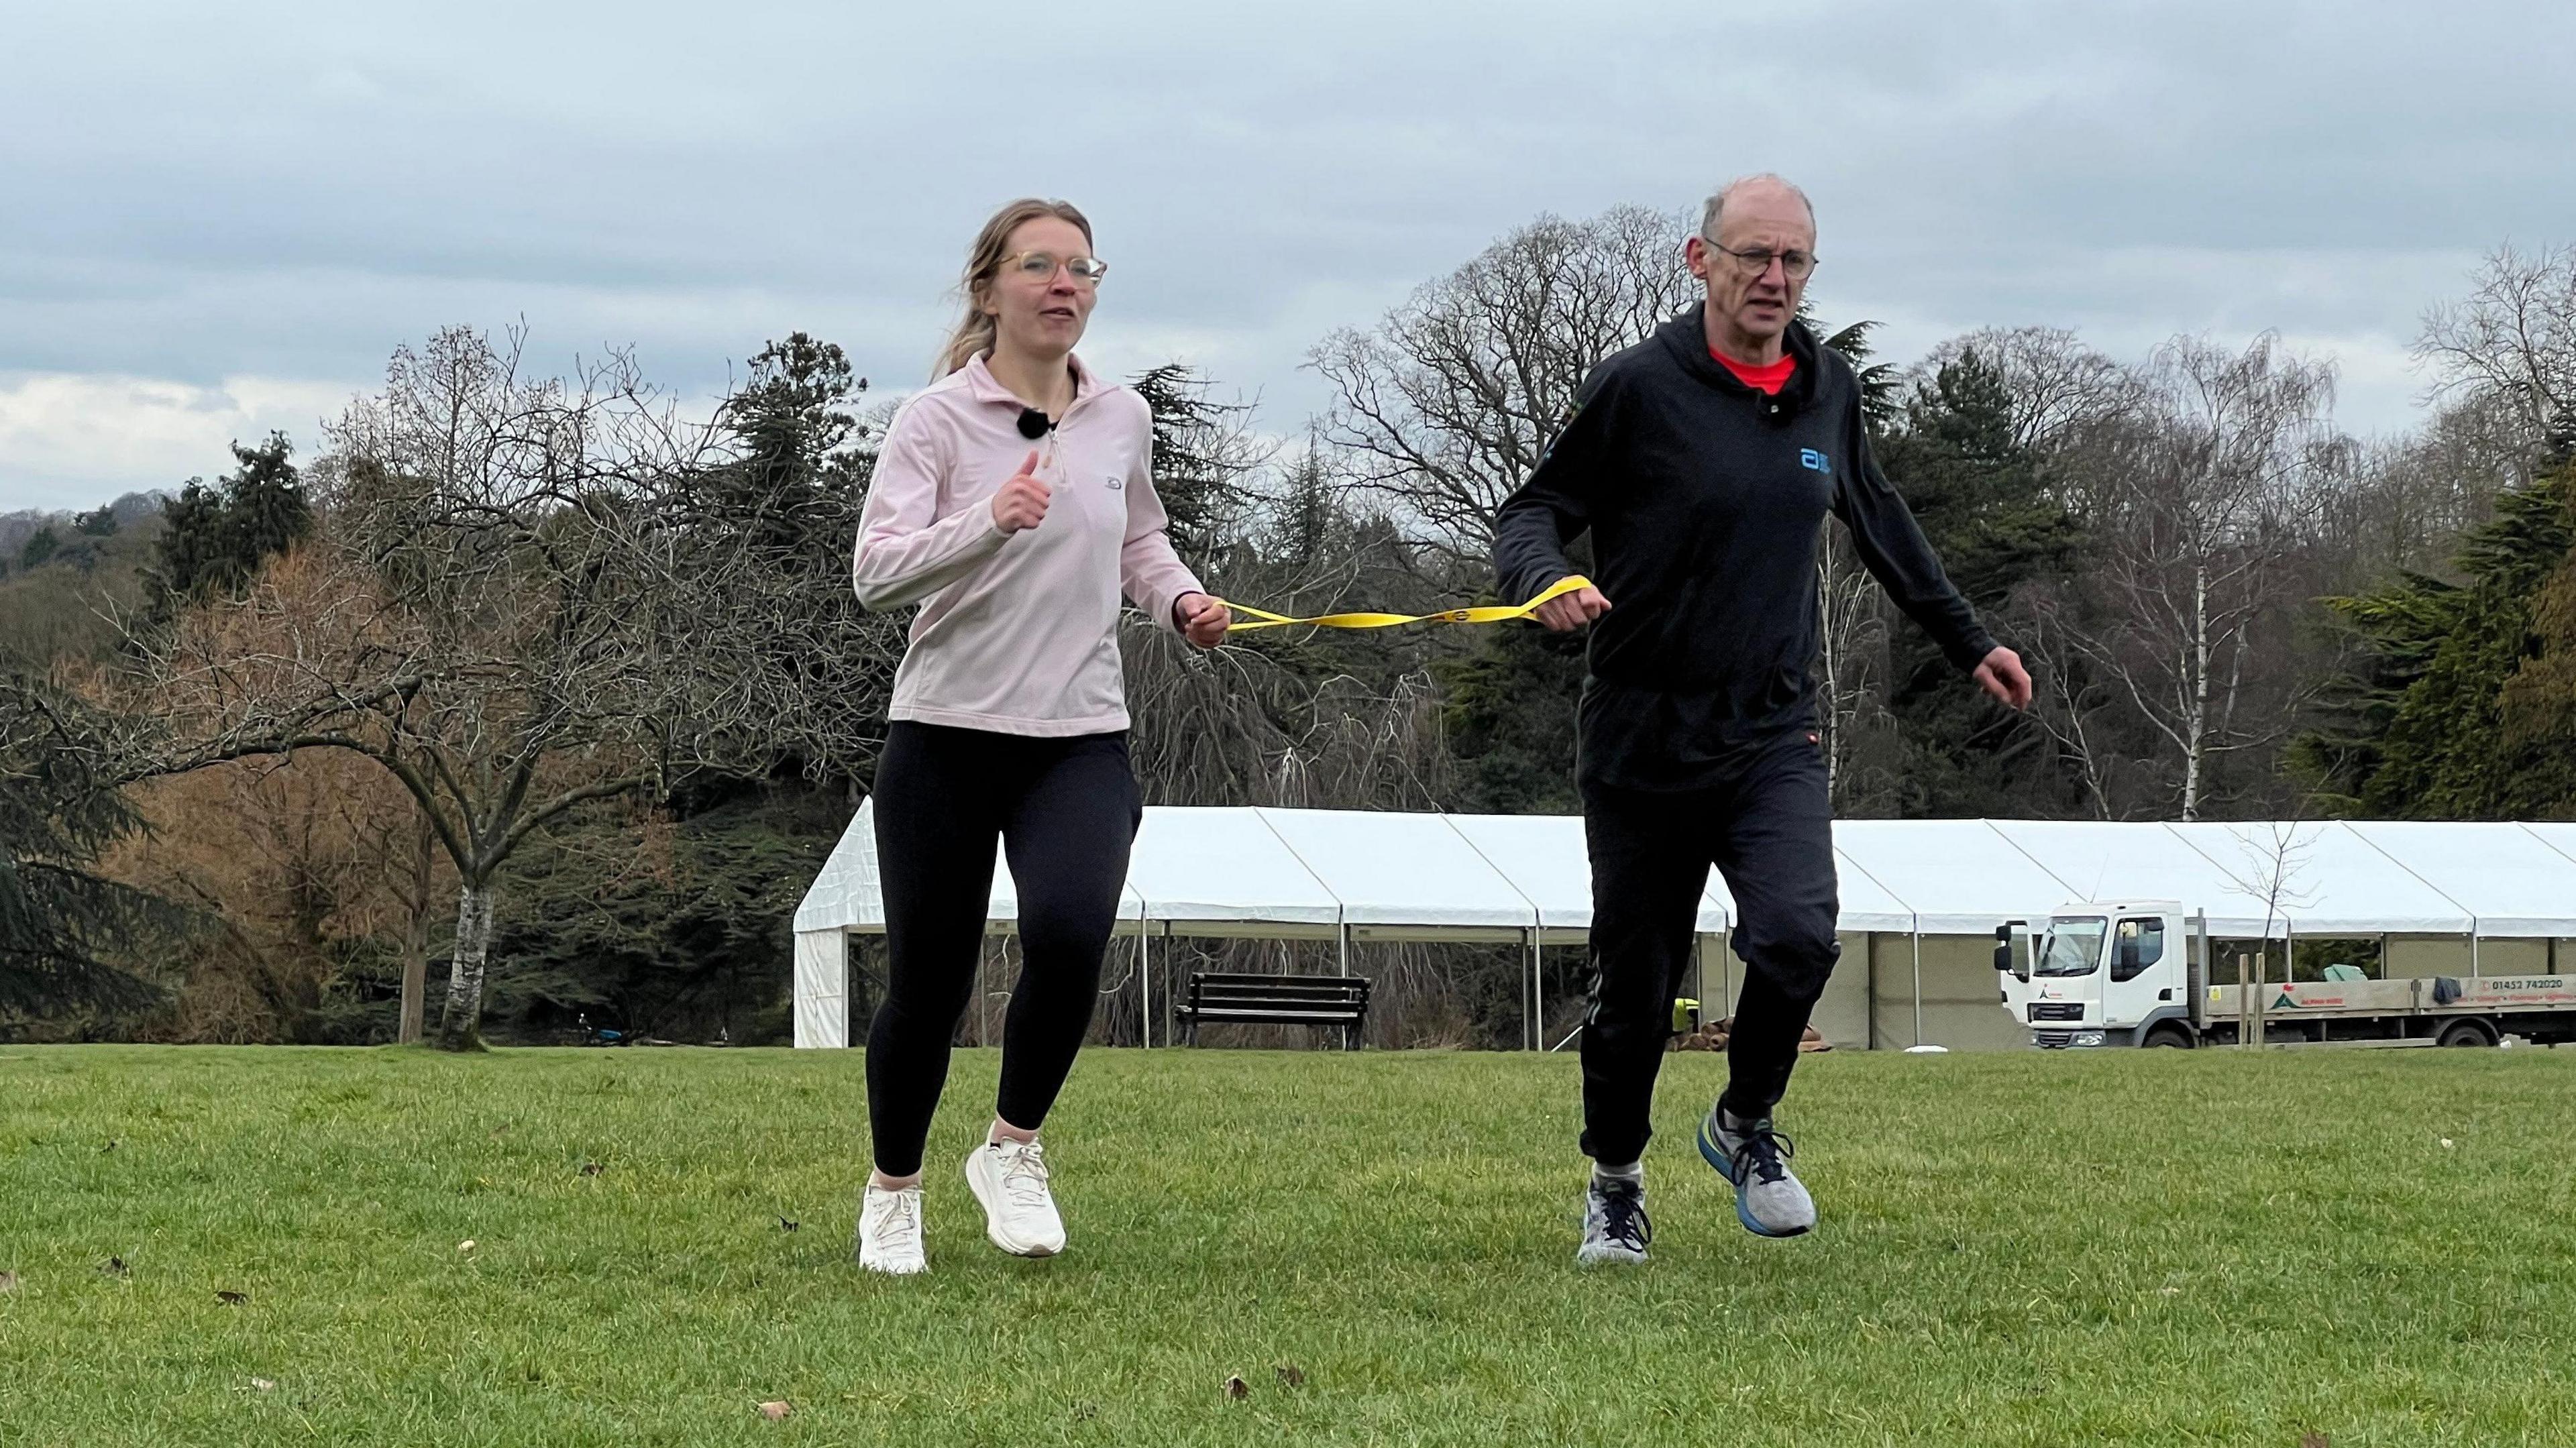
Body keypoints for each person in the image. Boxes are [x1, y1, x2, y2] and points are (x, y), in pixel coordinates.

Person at [1491, 174, 2033, 1264]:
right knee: (1636, 992)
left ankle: (1743, 1124)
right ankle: (1615, 1181)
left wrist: (1970, 640)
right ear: (1701, 262)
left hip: (1773, 732)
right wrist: (1545, 577)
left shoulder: (1827, 389)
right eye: (1753, 258)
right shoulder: (1639, 388)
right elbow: (1537, 508)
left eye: (1794, 262)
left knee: (1798, 936)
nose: (1774, 280)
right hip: (1642, 736)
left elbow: (1881, 520)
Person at [848, 198, 1230, 1276]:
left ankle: (1012, 1149)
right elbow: (875, 572)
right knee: (931, 979)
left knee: (1070, 935)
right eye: (1038, 267)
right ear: (989, 291)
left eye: (1081, 268)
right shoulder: (934, 422)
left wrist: (1183, 603)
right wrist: (987, 523)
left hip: (1079, 733)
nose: (1064, 285)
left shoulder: (1122, 418)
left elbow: (1141, 540)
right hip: (945, 735)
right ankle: (895, 1191)